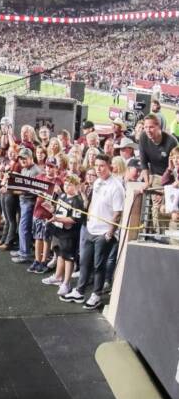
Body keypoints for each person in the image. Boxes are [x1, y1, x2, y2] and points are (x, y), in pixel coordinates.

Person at [62, 154, 124, 309]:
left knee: (99, 265)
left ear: (110, 166)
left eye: (102, 165)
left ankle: (96, 295)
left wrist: (110, 233)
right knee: (84, 262)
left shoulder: (116, 187)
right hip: (91, 228)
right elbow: (93, 203)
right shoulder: (96, 182)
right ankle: (80, 291)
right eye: (96, 165)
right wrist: (89, 220)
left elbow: (118, 213)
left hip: (104, 233)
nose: (99, 168)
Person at [44, 174, 85, 297]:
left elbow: (74, 219)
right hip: (59, 231)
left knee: (68, 258)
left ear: (76, 186)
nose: (67, 187)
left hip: (69, 233)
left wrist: (58, 219)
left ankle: (66, 283)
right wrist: (51, 209)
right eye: (66, 184)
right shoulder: (62, 196)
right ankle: (58, 276)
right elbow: (58, 211)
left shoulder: (77, 201)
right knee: (60, 254)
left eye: (70, 185)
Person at [139, 113, 178, 232]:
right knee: (155, 208)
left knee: (165, 209)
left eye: (151, 127)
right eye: (145, 127)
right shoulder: (143, 137)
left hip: (170, 178)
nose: (148, 130)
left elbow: (175, 167)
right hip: (154, 176)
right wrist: (146, 182)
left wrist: (164, 190)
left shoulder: (171, 142)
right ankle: (155, 234)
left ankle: (166, 236)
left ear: (159, 127)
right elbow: (144, 162)